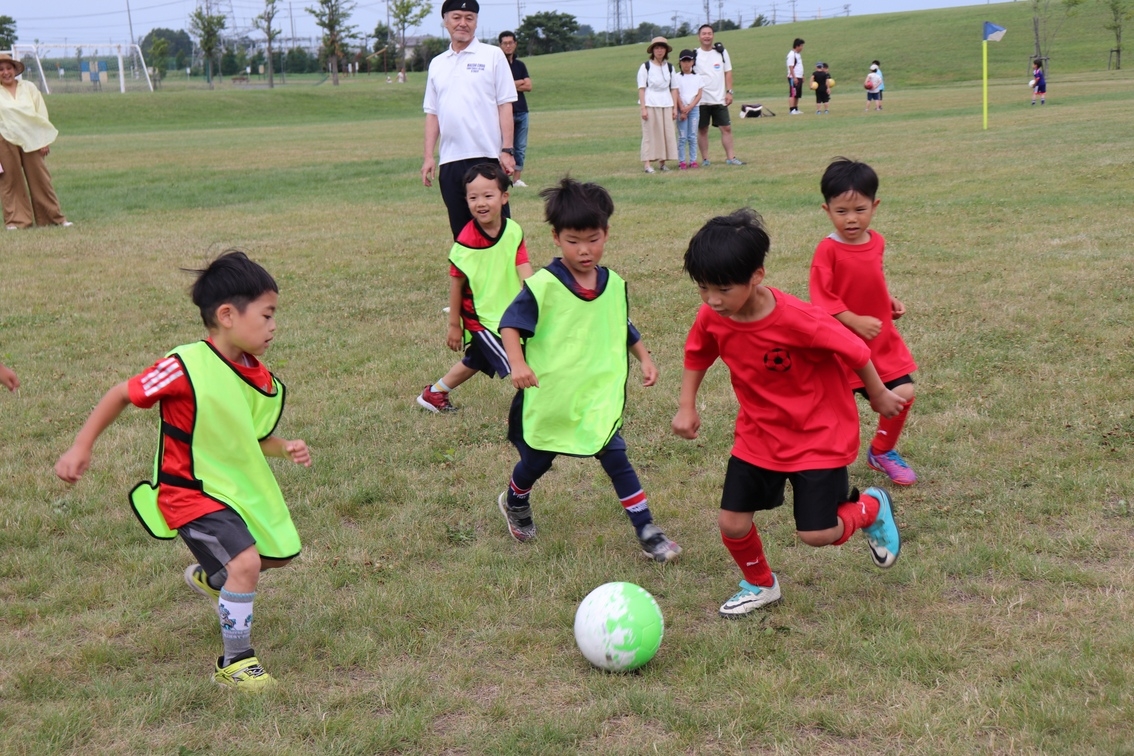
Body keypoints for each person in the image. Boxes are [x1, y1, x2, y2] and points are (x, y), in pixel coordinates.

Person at [54, 251, 311, 691]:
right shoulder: (183, 366)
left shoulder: (256, 374)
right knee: (246, 562)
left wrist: (282, 447)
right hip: (188, 493)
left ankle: (217, 581)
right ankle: (236, 662)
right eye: (267, 315)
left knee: (274, 555)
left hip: (231, 489)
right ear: (227, 315)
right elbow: (121, 393)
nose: (274, 327)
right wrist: (81, 446)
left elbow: (248, 435)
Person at [672, 208, 905, 618]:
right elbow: (698, 354)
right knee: (732, 522)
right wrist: (686, 406)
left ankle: (869, 507)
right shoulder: (714, 315)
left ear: (757, 276)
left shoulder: (798, 319)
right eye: (703, 288)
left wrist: (880, 393)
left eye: (723, 289)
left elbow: (855, 350)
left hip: (818, 435)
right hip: (759, 435)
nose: (711, 300)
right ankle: (761, 584)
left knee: (817, 534)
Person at [497, 177, 681, 563]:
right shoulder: (543, 285)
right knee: (537, 461)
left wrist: (644, 356)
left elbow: (621, 323)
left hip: (596, 397)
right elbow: (510, 324)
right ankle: (515, 499)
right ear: (556, 237)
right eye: (573, 241)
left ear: (606, 234)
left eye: (593, 239)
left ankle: (646, 528)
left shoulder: (612, 283)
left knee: (617, 458)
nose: (584, 250)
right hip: (552, 396)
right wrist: (517, 362)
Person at [810, 158, 918, 486]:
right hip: (843, 347)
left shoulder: (877, 241)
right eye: (841, 212)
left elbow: (871, 279)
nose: (852, 219)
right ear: (827, 210)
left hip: (881, 341)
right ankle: (826, 464)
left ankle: (882, 451)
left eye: (859, 209)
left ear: (875, 205)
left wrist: (888, 301)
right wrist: (853, 320)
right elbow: (822, 297)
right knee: (838, 413)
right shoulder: (827, 251)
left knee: (905, 390)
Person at [417, 163, 533, 412]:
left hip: (506, 313)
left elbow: (522, 264)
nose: (481, 202)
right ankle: (537, 409)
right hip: (480, 318)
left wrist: (534, 296)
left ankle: (434, 394)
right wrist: (454, 326)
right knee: (518, 362)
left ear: (504, 198)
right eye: (473, 197)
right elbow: (456, 286)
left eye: (488, 195)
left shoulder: (513, 230)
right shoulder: (464, 244)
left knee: (478, 359)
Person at [422, 0, 518, 240]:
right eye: (456, 17)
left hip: (486, 156)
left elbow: (505, 105)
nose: (463, 23)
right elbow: (432, 113)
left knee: (497, 229)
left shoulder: (493, 55)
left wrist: (507, 149)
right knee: (462, 232)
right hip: (451, 162)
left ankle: (502, 277)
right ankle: (468, 278)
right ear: (445, 21)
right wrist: (428, 157)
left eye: (469, 18)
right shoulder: (437, 63)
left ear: (476, 22)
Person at [0, 53, 71, 230]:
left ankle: (53, 218)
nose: (5, 72)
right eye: (1, 69)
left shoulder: (29, 88)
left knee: (41, 179)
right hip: (5, 139)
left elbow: (41, 112)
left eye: (8, 68)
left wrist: (43, 140)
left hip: (32, 138)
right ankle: (17, 221)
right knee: (10, 180)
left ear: (15, 70)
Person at [694, 25, 744, 167]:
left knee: (726, 128)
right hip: (701, 100)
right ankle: (705, 160)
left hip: (719, 99)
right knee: (702, 129)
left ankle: (731, 158)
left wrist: (729, 92)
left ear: (713, 36)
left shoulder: (721, 53)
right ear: (699, 37)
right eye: (704, 34)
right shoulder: (695, 55)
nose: (707, 36)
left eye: (709, 33)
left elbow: (728, 72)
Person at [636, 37, 679, 174]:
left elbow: (674, 88)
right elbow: (641, 88)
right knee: (650, 133)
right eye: (656, 48)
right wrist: (643, 108)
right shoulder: (645, 67)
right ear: (652, 50)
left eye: (662, 48)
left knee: (665, 133)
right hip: (650, 102)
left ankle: (662, 162)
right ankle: (647, 164)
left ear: (666, 50)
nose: (659, 50)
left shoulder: (670, 67)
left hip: (666, 102)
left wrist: (675, 108)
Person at [497, 31, 532, 187]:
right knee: (503, 146)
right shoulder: (497, 65)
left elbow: (529, 86)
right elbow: (497, 87)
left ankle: (516, 179)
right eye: (505, 43)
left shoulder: (520, 65)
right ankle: (502, 178)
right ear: (500, 45)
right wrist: (519, 84)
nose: (508, 46)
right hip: (504, 113)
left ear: (515, 44)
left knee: (520, 147)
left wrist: (510, 83)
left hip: (522, 111)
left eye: (511, 43)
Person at [674, 49, 703, 170]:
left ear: (693, 62)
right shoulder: (676, 77)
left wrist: (690, 107)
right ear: (680, 63)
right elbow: (676, 93)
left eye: (689, 61)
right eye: (684, 61)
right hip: (682, 109)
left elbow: (699, 94)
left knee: (692, 136)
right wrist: (682, 109)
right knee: (682, 137)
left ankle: (693, 160)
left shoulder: (697, 77)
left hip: (694, 109)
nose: (686, 64)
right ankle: (681, 161)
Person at [786, 38, 805, 115]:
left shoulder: (798, 54)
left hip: (799, 76)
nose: (802, 48)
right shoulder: (791, 54)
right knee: (793, 93)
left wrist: (802, 75)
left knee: (797, 94)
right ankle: (791, 110)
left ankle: (795, 108)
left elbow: (799, 66)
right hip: (793, 77)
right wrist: (794, 77)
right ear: (797, 46)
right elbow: (791, 66)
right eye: (801, 46)